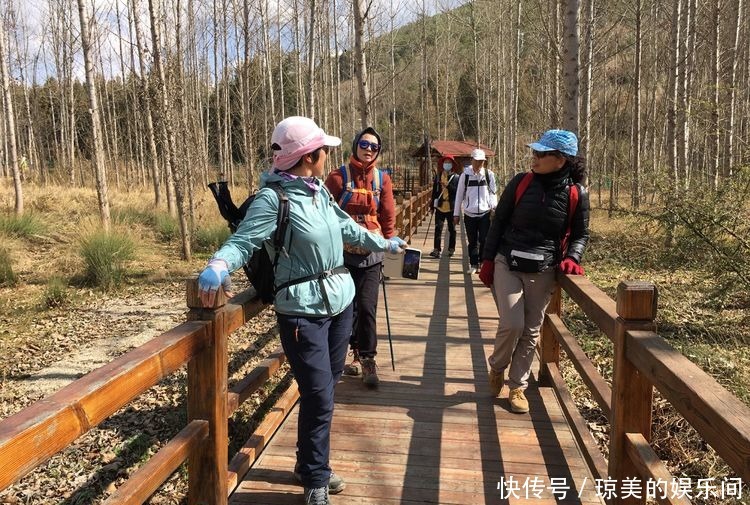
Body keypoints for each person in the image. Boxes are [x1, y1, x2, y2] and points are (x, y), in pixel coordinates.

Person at [197, 116, 406, 505]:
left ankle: (312, 465)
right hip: (302, 312)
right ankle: (314, 475)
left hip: (340, 301)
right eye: (324, 149)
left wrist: (383, 244)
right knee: (319, 393)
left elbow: (346, 227)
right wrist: (219, 264)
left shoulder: (317, 191)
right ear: (310, 156)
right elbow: (244, 241)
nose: (329, 154)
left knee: (325, 390)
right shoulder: (272, 199)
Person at [478, 129, 589, 414]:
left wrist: (573, 257)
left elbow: (580, 234)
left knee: (530, 330)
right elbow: (499, 221)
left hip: (544, 268)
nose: (534, 157)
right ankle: (497, 368)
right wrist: (488, 260)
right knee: (512, 323)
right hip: (508, 261)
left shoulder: (576, 193)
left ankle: (517, 386)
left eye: (541, 154)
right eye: (535, 152)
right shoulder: (521, 182)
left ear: (560, 160)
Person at [324, 127, 396, 387]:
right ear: (355, 145)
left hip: (372, 255)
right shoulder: (337, 177)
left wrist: (391, 243)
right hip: (341, 255)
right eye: (364, 144)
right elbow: (322, 212)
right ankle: (346, 355)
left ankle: (367, 358)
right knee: (345, 308)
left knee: (366, 307)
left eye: (374, 147)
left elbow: (388, 215)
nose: (368, 149)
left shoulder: (382, 180)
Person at [453, 148, 497, 274]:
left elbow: (493, 193)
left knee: (484, 239)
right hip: (469, 213)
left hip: (485, 213)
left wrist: (494, 207)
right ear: (471, 160)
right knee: (472, 240)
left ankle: (483, 262)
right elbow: (459, 195)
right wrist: (456, 214)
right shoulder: (465, 176)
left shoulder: (489, 175)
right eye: (477, 161)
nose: (479, 164)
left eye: (482, 161)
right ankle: (473, 264)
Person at [429, 155, 460, 258]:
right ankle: (436, 249)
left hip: (451, 207)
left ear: (452, 165)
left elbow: (457, 192)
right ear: (443, 164)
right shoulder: (438, 176)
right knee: (438, 228)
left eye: (449, 162)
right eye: (445, 162)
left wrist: (447, 185)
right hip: (440, 206)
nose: (447, 164)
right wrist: (432, 206)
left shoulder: (456, 177)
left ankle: (451, 248)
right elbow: (434, 192)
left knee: (452, 229)